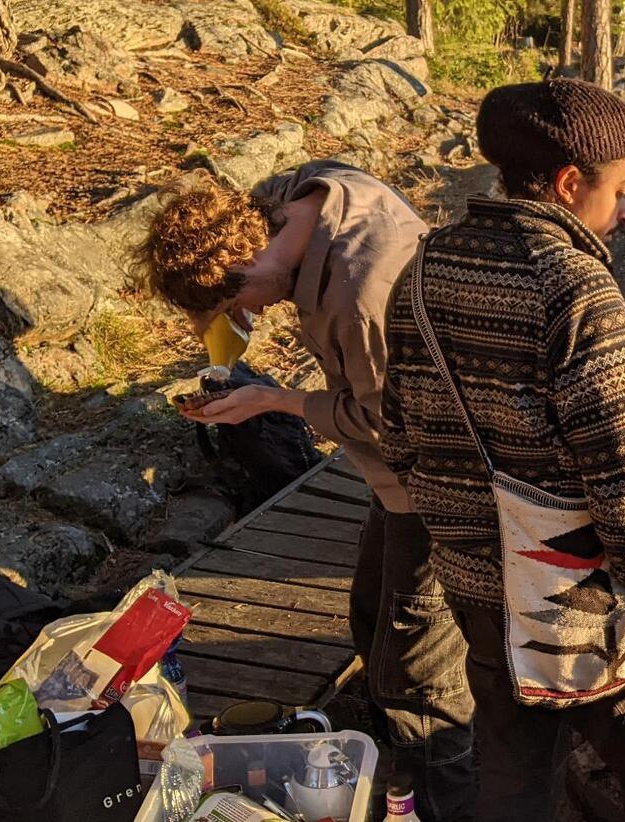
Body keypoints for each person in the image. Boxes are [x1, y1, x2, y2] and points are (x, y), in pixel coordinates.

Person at [379, 78, 625, 821]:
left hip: (474, 585)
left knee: (514, 771)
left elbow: (395, 432)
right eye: (623, 189)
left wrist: (458, 524)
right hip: (578, 596)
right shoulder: (576, 286)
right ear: (569, 183)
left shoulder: (424, 269)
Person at [139, 162, 475, 820]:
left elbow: (394, 423)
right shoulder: (298, 192)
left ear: (246, 257)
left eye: (242, 301)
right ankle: (379, 751)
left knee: (419, 674)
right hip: (394, 479)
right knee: (371, 616)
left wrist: (277, 399)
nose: (253, 314)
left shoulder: (362, 291)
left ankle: (445, 796)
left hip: (439, 483)